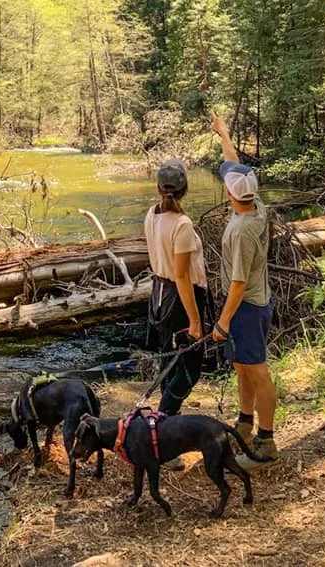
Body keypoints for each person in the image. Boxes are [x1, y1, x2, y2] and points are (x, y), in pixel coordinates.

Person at [209, 111, 278, 470]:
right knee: (243, 366)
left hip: (246, 306)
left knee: (257, 370)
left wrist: (222, 323)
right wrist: (224, 134)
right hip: (253, 302)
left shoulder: (240, 232)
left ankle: (265, 442)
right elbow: (234, 166)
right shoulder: (256, 207)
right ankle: (245, 423)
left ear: (229, 194)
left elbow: (237, 284)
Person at [144, 158, 209, 469]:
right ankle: (163, 439)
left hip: (158, 295)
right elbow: (182, 276)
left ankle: (167, 427)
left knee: (171, 365)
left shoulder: (152, 215)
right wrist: (195, 321)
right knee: (188, 370)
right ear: (185, 189)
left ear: (159, 188)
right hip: (179, 299)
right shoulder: (181, 225)